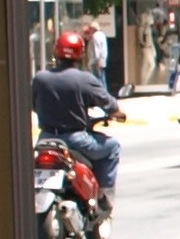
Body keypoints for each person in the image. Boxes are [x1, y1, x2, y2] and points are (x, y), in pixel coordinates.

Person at [34, 29, 122, 208]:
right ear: (80, 54)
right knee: (113, 147)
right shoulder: (84, 79)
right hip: (76, 139)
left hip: (46, 138)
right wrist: (119, 114)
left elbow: (32, 104)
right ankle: (104, 196)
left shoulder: (40, 78)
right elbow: (110, 105)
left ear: (56, 51)